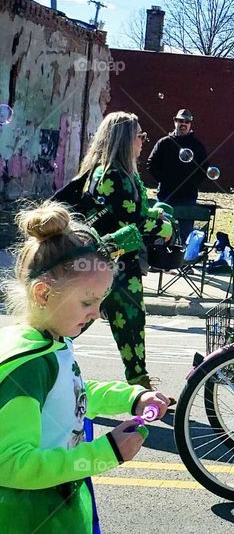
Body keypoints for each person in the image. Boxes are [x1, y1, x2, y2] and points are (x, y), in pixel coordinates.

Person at [0, 201, 172, 532]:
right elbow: (11, 464)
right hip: (32, 518)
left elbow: (70, 395)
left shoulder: (52, 343)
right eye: (87, 302)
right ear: (43, 293)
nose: (97, 313)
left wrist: (131, 398)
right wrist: (105, 452)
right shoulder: (29, 365)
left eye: (101, 302)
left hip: (56, 506)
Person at [69, 112, 174, 388]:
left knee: (126, 322)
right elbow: (134, 221)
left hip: (108, 264)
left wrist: (155, 214)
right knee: (86, 321)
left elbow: (128, 212)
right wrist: (164, 228)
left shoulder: (111, 172)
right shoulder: (114, 175)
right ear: (127, 139)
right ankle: (34, 363)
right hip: (111, 266)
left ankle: (140, 385)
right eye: (140, 136)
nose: (143, 141)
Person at [146, 108, 209, 243]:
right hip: (165, 194)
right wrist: (163, 179)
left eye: (187, 121)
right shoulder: (164, 143)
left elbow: (204, 168)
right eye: (180, 120)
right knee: (162, 232)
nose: (183, 124)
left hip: (188, 196)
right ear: (175, 121)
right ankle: (161, 261)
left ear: (190, 124)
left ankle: (183, 262)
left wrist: (192, 183)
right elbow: (151, 163)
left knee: (185, 234)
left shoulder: (197, 146)